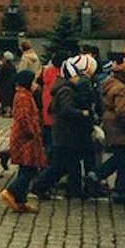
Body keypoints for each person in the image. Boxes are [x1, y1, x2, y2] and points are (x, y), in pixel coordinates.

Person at [30, 55, 96, 201]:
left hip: (65, 133)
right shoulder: (66, 90)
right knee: (59, 165)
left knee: (71, 163)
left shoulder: (63, 87)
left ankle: (74, 189)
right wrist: (82, 113)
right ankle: (39, 186)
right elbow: (66, 109)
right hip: (65, 133)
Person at [86, 54, 125, 204]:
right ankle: (112, 185)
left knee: (120, 156)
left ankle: (100, 177)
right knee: (124, 158)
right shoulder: (121, 88)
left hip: (109, 122)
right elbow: (123, 111)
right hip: (119, 126)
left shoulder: (107, 83)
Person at [0, 70, 46, 213]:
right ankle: (10, 192)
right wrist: (33, 132)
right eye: (33, 81)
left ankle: (21, 201)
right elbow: (24, 118)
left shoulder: (24, 95)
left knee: (25, 168)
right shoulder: (23, 97)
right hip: (26, 138)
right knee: (29, 169)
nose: (35, 85)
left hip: (26, 137)